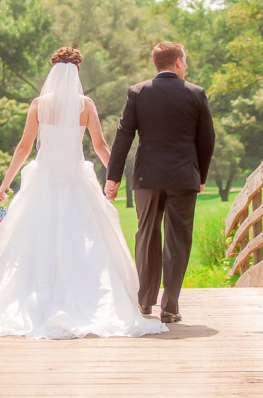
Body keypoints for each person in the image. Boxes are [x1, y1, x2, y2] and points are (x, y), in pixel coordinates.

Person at [0, 47, 167, 339]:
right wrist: (114, 177)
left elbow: (24, 148)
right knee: (86, 241)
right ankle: (88, 299)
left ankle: (35, 301)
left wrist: (5, 185)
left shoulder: (39, 104)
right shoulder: (85, 105)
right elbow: (101, 145)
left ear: (53, 73)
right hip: (77, 179)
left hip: (44, 180)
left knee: (34, 241)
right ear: (76, 74)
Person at [105, 41, 215, 324]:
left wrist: (113, 178)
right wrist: (200, 176)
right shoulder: (196, 94)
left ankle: (144, 301)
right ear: (177, 62)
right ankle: (170, 307)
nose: (187, 66)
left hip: (147, 178)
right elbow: (207, 141)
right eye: (186, 61)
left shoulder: (138, 93)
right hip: (183, 177)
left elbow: (124, 136)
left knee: (146, 234)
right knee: (177, 240)